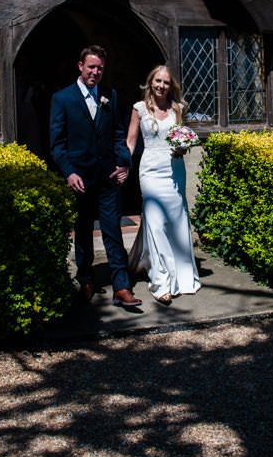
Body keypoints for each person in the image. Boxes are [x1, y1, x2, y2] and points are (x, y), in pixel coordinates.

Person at [50, 45, 142, 308]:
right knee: (82, 232)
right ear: (80, 66)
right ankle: (86, 281)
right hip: (79, 179)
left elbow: (116, 134)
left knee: (112, 230)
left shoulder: (109, 95)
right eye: (91, 67)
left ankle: (121, 287)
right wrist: (68, 173)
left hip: (108, 177)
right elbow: (57, 144)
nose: (95, 72)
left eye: (100, 68)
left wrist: (124, 164)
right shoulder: (62, 98)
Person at [126, 64, 201, 305]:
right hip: (150, 171)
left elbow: (181, 136)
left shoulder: (178, 109)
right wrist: (120, 165)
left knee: (176, 221)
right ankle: (161, 282)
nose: (161, 86)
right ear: (150, 83)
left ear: (171, 86)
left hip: (174, 170)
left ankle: (181, 275)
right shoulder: (139, 109)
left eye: (166, 82)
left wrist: (183, 145)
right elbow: (130, 142)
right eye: (157, 81)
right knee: (156, 223)